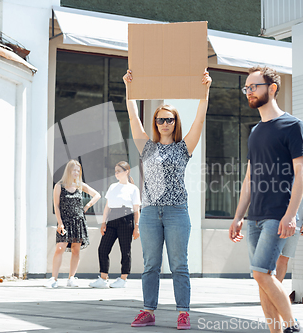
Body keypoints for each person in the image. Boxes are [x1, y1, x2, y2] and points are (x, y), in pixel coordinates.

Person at [123, 68, 212, 330]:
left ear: (175, 122)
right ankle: (148, 311)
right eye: (160, 119)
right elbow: (132, 116)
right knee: (151, 264)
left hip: (176, 213)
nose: (164, 123)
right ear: (156, 122)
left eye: (169, 119)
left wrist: (205, 90)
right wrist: (129, 89)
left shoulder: (183, 147)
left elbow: (199, 120)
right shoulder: (146, 146)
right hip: (150, 213)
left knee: (179, 265)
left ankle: (182, 312)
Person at [228, 66, 303, 333]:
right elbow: (249, 178)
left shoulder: (293, 126)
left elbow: (301, 173)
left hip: (279, 213)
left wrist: (291, 215)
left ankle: (293, 326)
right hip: (256, 217)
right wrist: (239, 215)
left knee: (261, 272)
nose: (249, 92)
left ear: (272, 88)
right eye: (247, 88)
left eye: (254, 87)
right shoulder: (255, 131)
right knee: (263, 279)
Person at [44, 160, 100, 288]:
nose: (76, 173)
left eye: (78, 171)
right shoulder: (59, 186)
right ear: (68, 171)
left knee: (76, 250)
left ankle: (72, 278)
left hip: (78, 221)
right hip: (64, 221)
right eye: (74, 170)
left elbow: (97, 195)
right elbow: (56, 206)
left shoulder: (80, 185)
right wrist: (60, 223)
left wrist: (87, 206)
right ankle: (53, 279)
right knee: (60, 248)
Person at [89, 161, 141, 289]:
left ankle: (123, 278)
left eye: (119, 171)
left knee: (125, 250)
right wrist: (103, 222)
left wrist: (137, 227)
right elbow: (107, 206)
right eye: (115, 171)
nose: (116, 173)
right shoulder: (112, 187)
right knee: (103, 248)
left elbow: (136, 210)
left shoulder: (133, 189)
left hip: (126, 218)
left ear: (126, 171)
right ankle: (103, 278)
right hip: (112, 219)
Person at [276, 170, 303, 284]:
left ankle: (275, 292)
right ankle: (268, 293)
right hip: (274, 221)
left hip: (295, 224)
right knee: (272, 257)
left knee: (284, 258)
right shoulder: (279, 169)